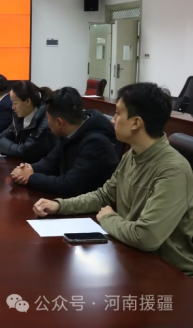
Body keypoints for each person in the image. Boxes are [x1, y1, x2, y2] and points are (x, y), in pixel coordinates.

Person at [33, 83, 193, 277]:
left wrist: (108, 218)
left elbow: (146, 237)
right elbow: (104, 196)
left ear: (136, 123)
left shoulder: (172, 170)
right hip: (133, 258)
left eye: (117, 113)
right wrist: (60, 205)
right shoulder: (131, 155)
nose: (113, 120)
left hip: (170, 274)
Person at [11, 87, 120, 197]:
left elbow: (69, 186)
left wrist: (30, 177)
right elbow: (51, 161)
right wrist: (29, 169)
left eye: (48, 119)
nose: (47, 123)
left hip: (92, 204)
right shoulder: (71, 130)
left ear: (59, 123)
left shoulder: (96, 143)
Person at [0, 81, 55, 162]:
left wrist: (0, 145)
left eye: (15, 103)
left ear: (28, 102)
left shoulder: (44, 120)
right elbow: (4, 135)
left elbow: (25, 150)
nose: (13, 107)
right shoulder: (19, 116)